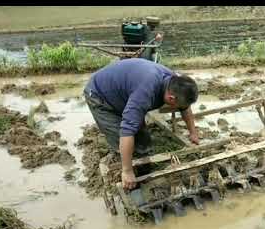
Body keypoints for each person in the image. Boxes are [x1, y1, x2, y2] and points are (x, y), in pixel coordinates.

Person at [83, 58, 200, 190]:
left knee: (143, 141)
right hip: (100, 97)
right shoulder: (145, 91)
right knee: (120, 138)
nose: (182, 108)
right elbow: (127, 130)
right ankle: (129, 179)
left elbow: (185, 107)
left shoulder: (175, 84)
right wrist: (127, 170)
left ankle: (144, 167)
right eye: (178, 106)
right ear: (171, 99)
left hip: (125, 94)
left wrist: (193, 133)